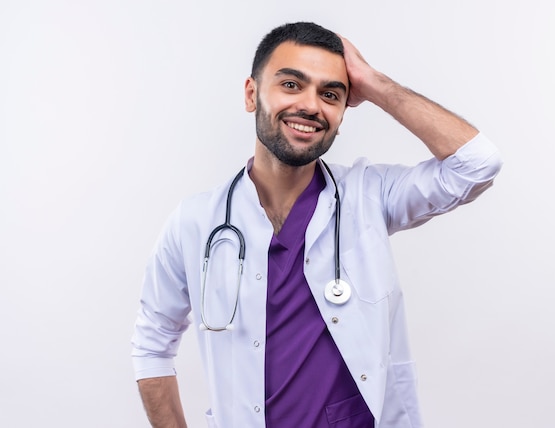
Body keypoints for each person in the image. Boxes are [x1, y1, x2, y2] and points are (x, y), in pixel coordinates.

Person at [131, 21, 503, 428]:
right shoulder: (195, 222)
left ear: (344, 113)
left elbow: (478, 164)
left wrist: (373, 82)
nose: (311, 106)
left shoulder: (370, 196)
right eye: (291, 84)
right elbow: (153, 345)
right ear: (252, 94)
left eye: (330, 94)